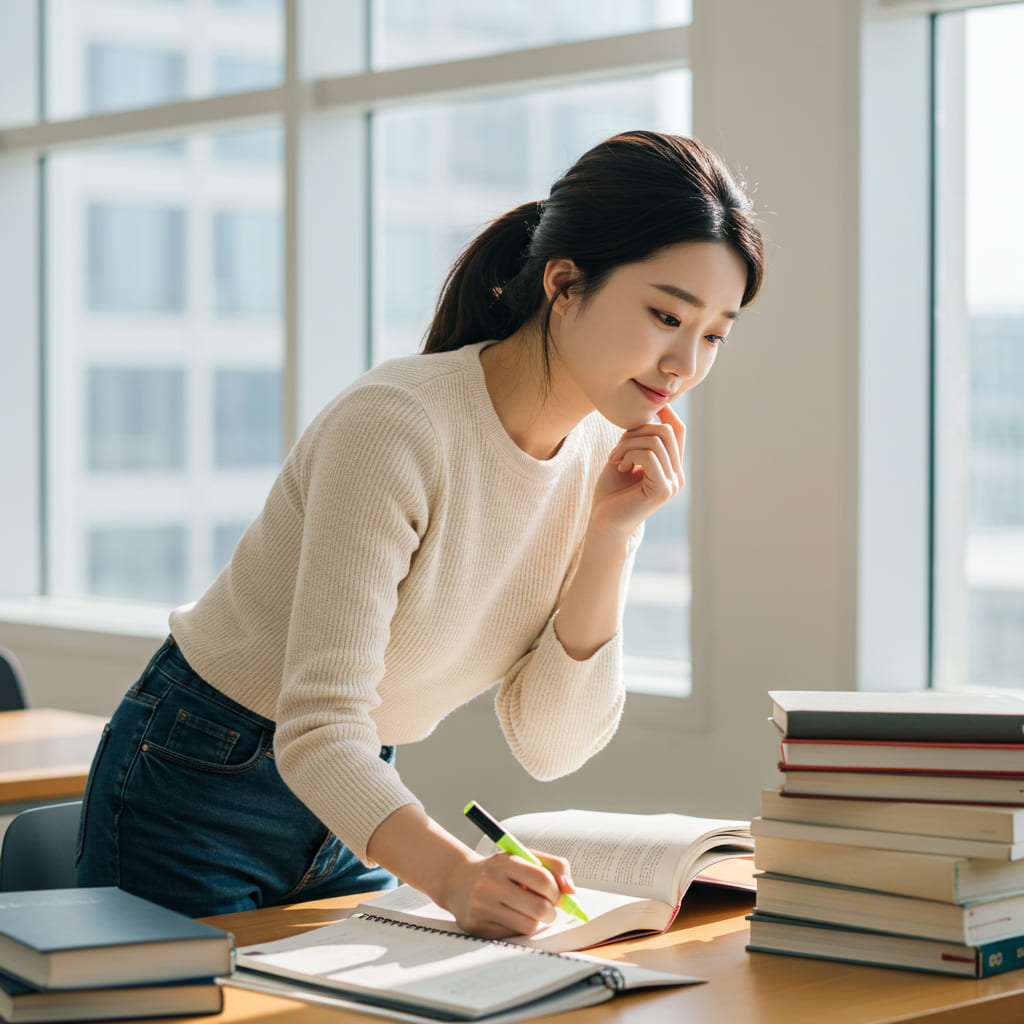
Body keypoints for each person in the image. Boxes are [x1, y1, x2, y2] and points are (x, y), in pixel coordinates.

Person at [76, 130, 765, 937]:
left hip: (351, 795)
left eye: (714, 333)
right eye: (665, 314)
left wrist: (613, 536)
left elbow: (550, 745)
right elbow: (317, 727)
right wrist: (454, 874)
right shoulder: (398, 425)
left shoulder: (603, 466)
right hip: (198, 774)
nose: (685, 362)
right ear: (565, 284)